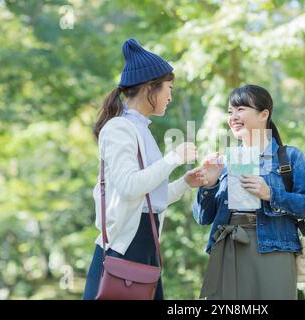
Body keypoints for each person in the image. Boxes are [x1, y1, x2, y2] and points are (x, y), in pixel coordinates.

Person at [83, 38, 206, 300]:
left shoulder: (141, 130)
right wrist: (173, 157)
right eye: (168, 88)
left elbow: (150, 200)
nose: (171, 96)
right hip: (123, 251)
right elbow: (130, 187)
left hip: (145, 248)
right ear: (151, 87)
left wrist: (185, 182)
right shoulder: (119, 128)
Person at [193, 84, 305, 300]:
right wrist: (209, 184)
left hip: (275, 250)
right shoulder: (224, 161)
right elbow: (203, 218)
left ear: (264, 114)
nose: (233, 116)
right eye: (230, 112)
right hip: (228, 248)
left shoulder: (289, 157)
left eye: (241, 109)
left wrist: (272, 194)